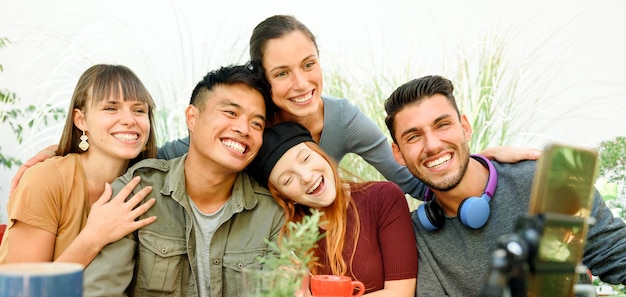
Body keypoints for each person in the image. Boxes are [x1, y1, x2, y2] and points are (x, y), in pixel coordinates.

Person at [156, 14, 539, 200]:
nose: (302, 84)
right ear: (264, 78)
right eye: (283, 73)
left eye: (309, 65)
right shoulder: (249, 128)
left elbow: (414, 182)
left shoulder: (345, 119)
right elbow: (175, 153)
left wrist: (479, 162)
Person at [385, 74, 626, 297]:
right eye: (414, 136)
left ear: (465, 127)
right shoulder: (417, 233)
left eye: (443, 125)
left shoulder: (542, 181)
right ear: (398, 154)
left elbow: (616, 254)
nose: (433, 145)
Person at [82, 64, 285, 297]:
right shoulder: (138, 192)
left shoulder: (271, 213)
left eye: (257, 124)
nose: (243, 129)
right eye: (231, 113)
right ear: (192, 117)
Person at [0, 64, 158, 265]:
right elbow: (26, 289)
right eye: (111, 108)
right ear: (80, 120)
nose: (129, 120)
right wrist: (95, 236)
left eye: (139, 110)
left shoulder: (148, 181)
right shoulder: (44, 180)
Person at [247, 121, 417, 297]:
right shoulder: (288, 234)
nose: (305, 177)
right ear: (286, 197)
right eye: (288, 180)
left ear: (321, 154)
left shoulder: (383, 198)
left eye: (305, 158)